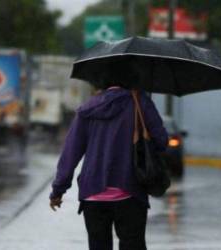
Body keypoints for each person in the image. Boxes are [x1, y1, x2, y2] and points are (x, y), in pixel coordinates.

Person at [49, 86, 168, 250]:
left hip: (93, 194)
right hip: (131, 192)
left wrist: (58, 190)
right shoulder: (140, 102)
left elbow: (70, 153)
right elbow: (162, 141)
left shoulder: (87, 108)